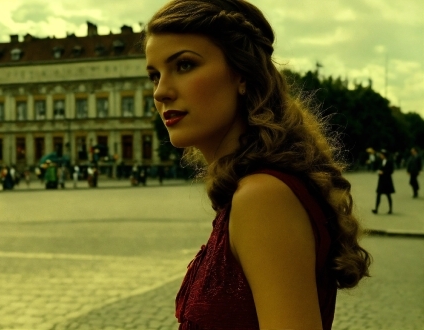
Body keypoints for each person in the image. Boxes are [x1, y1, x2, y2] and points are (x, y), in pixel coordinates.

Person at [144, 1, 371, 329]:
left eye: (184, 65)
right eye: (154, 76)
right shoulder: (254, 190)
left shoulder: (262, 195)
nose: (161, 91)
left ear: (242, 74)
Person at [372, 150, 395, 214]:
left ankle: (390, 209)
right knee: (378, 194)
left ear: (384, 155)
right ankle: (376, 209)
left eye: (381, 155)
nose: (380, 156)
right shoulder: (381, 161)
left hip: (387, 180)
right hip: (381, 180)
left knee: (388, 195)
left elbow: (391, 171)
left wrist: (383, 172)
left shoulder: (389, 162)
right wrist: (379, 171)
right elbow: (379, 168)